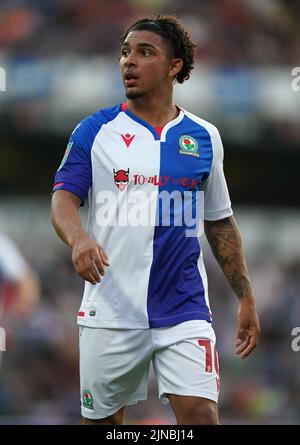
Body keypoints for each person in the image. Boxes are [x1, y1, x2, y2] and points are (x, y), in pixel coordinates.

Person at [51, 15, 260, 425]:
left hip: (184, 308)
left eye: (145, 52)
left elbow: (219, 222)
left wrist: (246, 297)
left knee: (202, 416)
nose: (129, 61)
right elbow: (63, 200)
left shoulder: (204, 137)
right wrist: (78, 240)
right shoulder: (95, 131)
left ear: (174, 66)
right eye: (125, 53)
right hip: (111, 310)